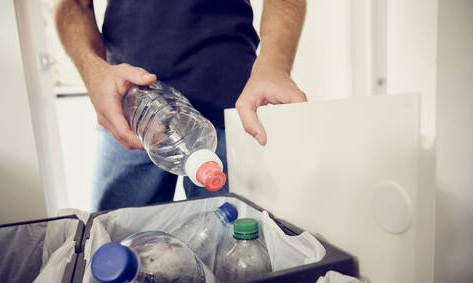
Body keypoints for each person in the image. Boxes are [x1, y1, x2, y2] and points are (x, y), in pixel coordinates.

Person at [55, 0, 307, 211]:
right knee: (116, 248)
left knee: (241, 246)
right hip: (131, 109)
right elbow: (73, 4)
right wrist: (94, 73)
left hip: (234, 106)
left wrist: (275, 66)